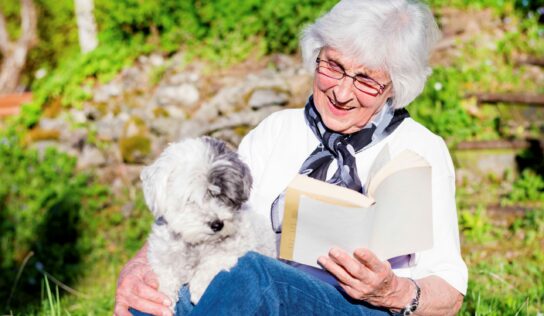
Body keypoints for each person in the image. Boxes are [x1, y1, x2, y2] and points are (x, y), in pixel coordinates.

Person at [114, 0, 468, 315]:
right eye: (333, 66)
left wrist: (393, 291)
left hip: (359, 308)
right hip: (252, 297)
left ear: (394, 85)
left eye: (366, 81)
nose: (342, 92)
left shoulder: (421, 149)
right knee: (158, 297)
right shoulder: (276, 130)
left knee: (247, 273)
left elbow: (450, 294)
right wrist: (139, 267)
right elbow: (204, 216)